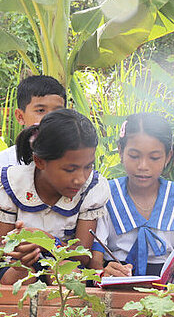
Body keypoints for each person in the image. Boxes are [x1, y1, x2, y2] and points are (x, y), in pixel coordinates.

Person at [91, 113, 174, 285]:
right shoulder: (105, 196)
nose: (143, 166)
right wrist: (103, 274)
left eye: (154, 157)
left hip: (166, 287)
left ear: (168, 156)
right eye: (134, 156)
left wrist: (170, 289)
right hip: (116, 282)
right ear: (120, 152)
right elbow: (95, 260)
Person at [0, 109, 109, 284]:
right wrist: (19, 253)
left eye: (88, 166)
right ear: (40, 161)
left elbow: (82, 256)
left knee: (68, 277)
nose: (80, 179)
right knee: (20, 278)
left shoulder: (92, 188)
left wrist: (46, 240)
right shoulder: (12, 184)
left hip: (64, 262)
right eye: (70, 169)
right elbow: (3, 251)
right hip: (15, 266)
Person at [0, 75, 66, 167]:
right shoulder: (4, 162)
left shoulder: (77, 160)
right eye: (41, 110)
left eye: (58, 111)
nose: (51, 118)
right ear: (20, 117)